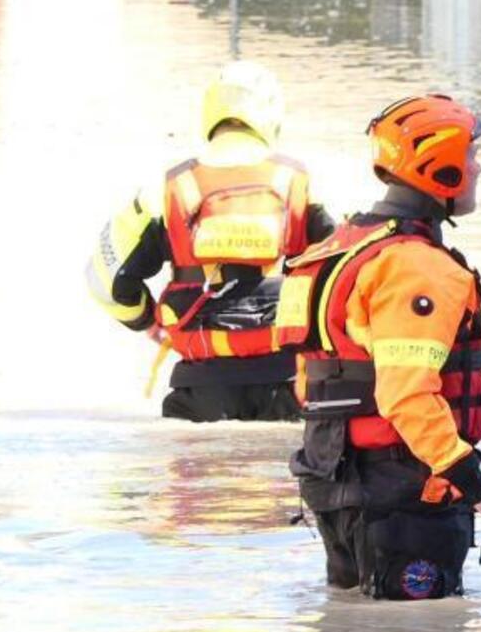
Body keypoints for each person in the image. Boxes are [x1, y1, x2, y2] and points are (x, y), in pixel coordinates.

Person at [281, 94, 481, 600]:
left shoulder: (338, 248)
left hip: (336, 480)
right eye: (470, 157)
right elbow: (406, 396)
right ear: (440, 168)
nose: (478, 168)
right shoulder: (417, 265)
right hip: (402, 495)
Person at [87, 61, 335, 421]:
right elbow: (351, 269)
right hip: (287, 384)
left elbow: (105, 281)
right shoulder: (300, 182)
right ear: (272, 116)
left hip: (198, 388)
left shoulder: (167, 188)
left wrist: (146, 320)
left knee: (197, 476)